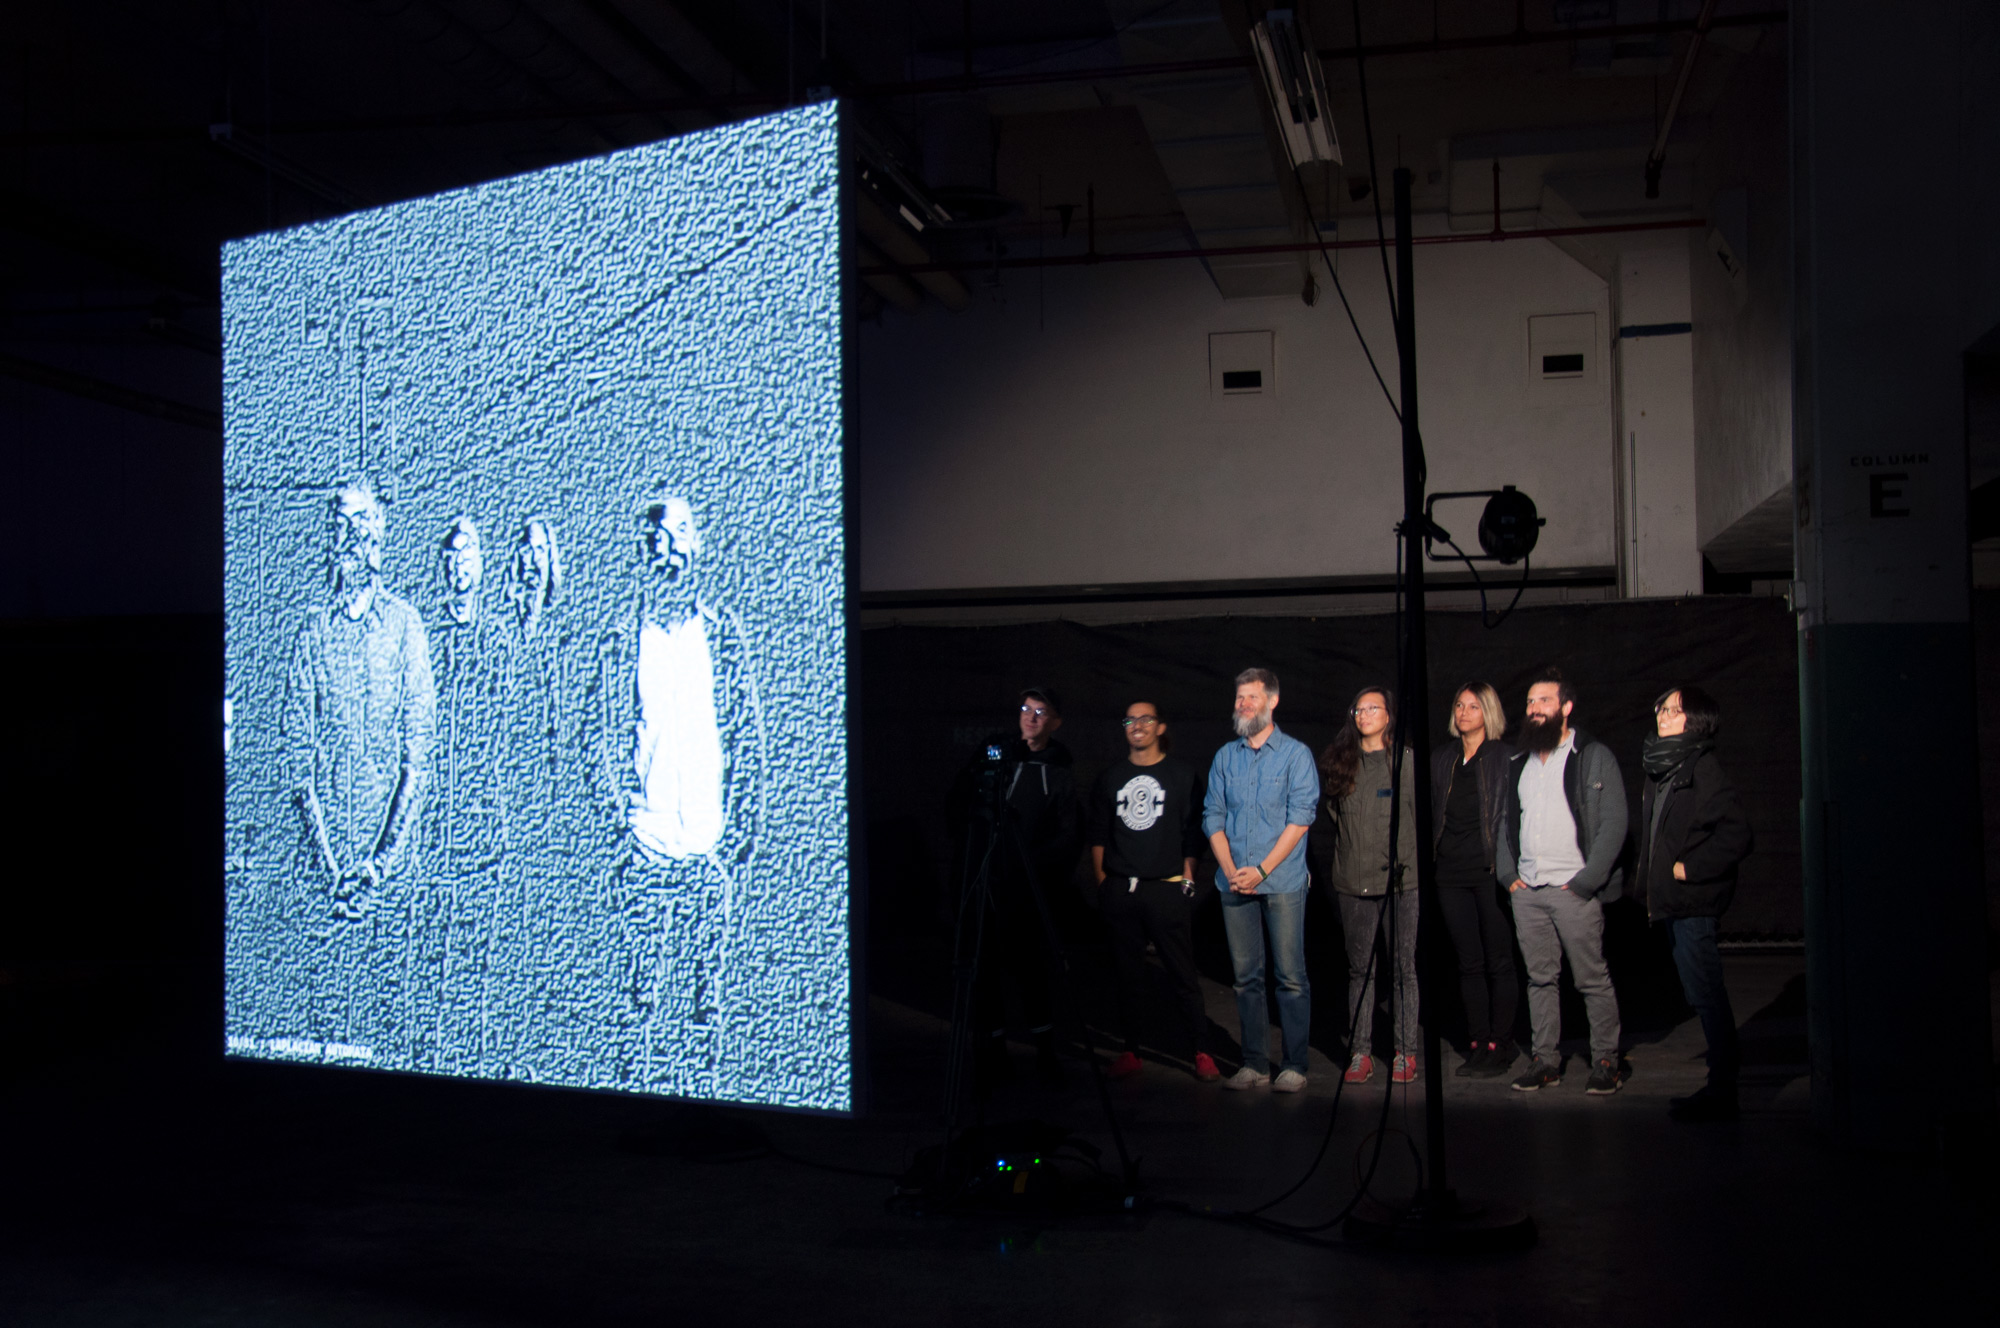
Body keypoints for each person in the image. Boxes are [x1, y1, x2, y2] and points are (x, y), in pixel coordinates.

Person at [597, 491, 767, 1093]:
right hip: (642, 846)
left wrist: (739, 841)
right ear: (645, 550)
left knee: (704, 1007)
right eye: (658, 539)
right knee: (635, 1007)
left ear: (698, 544)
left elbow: (747, 740)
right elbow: (601, 739)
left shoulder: (722, 636)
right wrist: (618, 829)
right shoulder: (621, 638)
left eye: (681, 535)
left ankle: (705, 1108)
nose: (669, 550)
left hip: (707, 848)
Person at [283, 480, 436, 925]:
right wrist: (328, 870)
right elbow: (297, 757)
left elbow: (417, 759)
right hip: (321, 883)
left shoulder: (406, 626)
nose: (352, 535)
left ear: (381, 535)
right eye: (341, 524)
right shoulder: (312, 631)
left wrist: (377, 867)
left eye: (363, 522)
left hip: (391, 885)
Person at [1493, 666, 1630, 1095]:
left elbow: (1614, 823)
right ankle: (1545, 1062)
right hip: (1529, 891)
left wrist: (1587, 881)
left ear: (1565, 708)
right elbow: (1503, 821)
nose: (1534, 709)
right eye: (1530, 702)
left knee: (1591, 979)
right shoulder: (1520, 762)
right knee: (1540, 980)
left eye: (1544, 701)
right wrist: (1509, 875)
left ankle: (1607, 1060)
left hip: (1574, 890)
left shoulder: (1592, 755)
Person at [947, 686, 1081, 1085]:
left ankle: (1044, 1053)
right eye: (1025, 708)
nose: (1031, 717)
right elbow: (960, 803)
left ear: (1055, 722)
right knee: (984, 971)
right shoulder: (994, 756)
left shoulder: (1058, 772)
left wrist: (1033, 870)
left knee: (1031, 972)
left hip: (1026, 891)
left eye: (1041, 711)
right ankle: (992, 1051)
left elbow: (1066, 835)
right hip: (985, 884)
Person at [1638, 686, 1753, 1122]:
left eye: (1672, 710)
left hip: (1693, 902)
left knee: (1706, 994)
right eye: (1661, 709)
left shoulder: (1702, 767)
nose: (1662, 716)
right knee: (1698, 993)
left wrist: (1691, 867)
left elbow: (1738, 834)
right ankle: (1719, 1088)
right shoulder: (1664, 766)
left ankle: (1723, 1090)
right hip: (1672, 902)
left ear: (1695, 720)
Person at [1088, 701, 1218, 1082]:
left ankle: (1202, 1051)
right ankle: (1131, 1050)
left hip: (1166, 889)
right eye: (1130, 719)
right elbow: (1098, 834)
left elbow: (1193, 834)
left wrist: (1187, 879)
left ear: (1160, 727)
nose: (1137, 725)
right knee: (1128, 976)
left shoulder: (1181, 775)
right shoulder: (1111, 777)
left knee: (1182, 977)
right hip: (1122, 891)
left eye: (1145, 719)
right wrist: (1103, 885)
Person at [1203, 669, 1320, 1092]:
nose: (1243, 704)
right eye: (1239, 697)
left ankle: (1295, 1064)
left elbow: (1301, 818)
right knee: (1245, 977)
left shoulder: (1295, 754)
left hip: (1281, 881)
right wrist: (1233, 869)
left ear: (1272, 701)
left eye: (1252, 697)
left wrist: (1263, 870)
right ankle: (1254, 1062)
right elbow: (1212, 816)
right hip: (1233, 881)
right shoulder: (1224, 757)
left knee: (1289, 976)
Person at [1321, 687, 1419, 1085]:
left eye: (1372, 708)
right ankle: (1361, 1052)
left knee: (1403, 970)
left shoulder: (1405, 763)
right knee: (1360, 971)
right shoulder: (1341, 762)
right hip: (1353, 884)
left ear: (1389, 714)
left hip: (1401, 884)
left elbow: (1417, 815)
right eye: (1358, 709)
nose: (1364, 715)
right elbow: (1335, 817)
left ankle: (1405, 1052)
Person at [1429, 681, 1521, 1079]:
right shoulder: (1443, 758)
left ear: (1488, 712)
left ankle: (1501, 1044)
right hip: (1449, 873)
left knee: (1499, 961)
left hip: (1488, 873)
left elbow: (1515, 816)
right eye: (1459, 705)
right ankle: (1478, 1042)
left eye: (1473, 706)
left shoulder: (1505, 756)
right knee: (1468, 963)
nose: (1463, 712)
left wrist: (1510, 869)